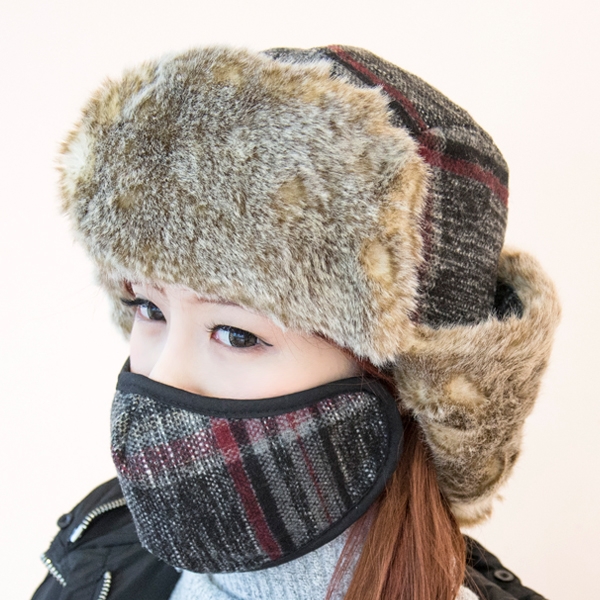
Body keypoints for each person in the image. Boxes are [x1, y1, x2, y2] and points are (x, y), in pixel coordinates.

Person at [32, 45, 560, 600]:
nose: (162, 376)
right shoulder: (99, 547)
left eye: (237, 335)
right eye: (150, 309)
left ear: (402, 386)